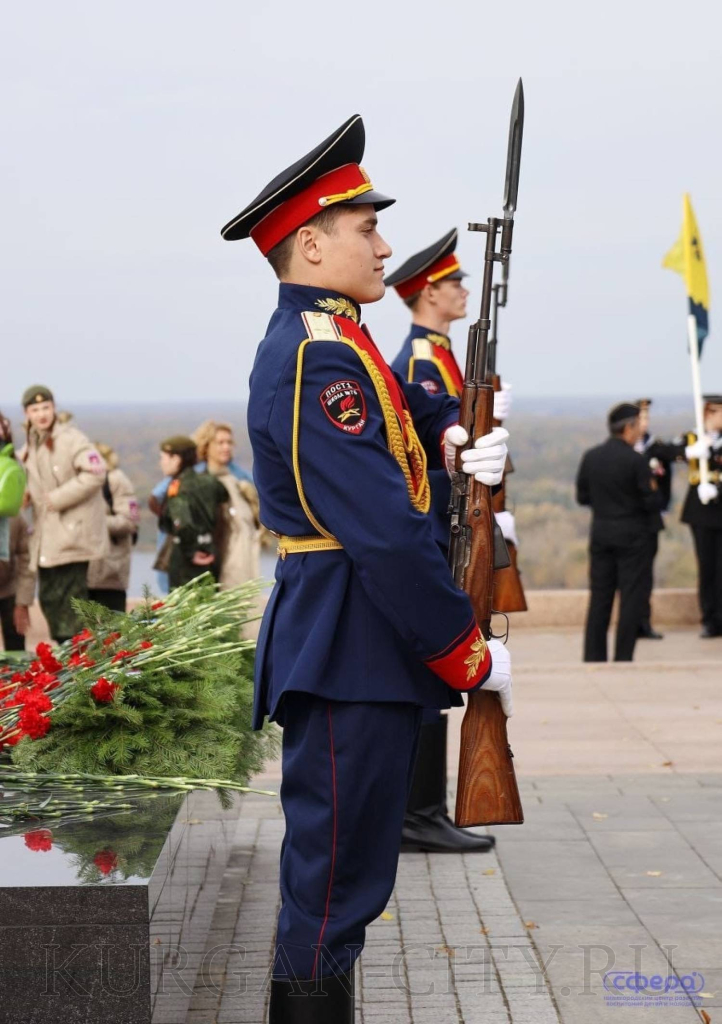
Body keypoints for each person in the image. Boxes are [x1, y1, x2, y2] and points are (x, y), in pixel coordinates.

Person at [221, 114, 513, 1021]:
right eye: (366, 228)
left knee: (345, 887)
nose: (385, 247)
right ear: (311, 244)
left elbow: (398, 432)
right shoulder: (319, 354)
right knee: (332, 891)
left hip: (355, 641)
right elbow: (383, 531)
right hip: (346, 644)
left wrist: (451, 436)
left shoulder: (338, 341)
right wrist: (465, 650)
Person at [386, 229, 514, 854]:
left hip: (452, 525)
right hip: (438, 528)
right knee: (433, 663)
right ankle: (419, 813)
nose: (463, 290)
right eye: (453, 282)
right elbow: (419, 462)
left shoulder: (438, 355)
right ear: (428, 293)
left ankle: (425, 810)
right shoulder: (419, 361)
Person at [18, 386, 108, 643]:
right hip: (48, 538)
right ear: (27, 413)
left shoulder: (72, 438)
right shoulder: (30, 445)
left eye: (46, 407)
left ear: (54, 408)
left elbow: (96, 472)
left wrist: (57, 498)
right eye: (35, 409)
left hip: (73, 536)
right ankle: (68, 654)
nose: (41, 414)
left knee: (72, 607)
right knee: (51, 600)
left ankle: (78, 658)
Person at [576, 402, 664, 662]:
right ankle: (623, 657)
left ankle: (594, 657)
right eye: (637, 426)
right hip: (634, 537)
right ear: (628, 428)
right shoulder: (636, 460)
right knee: (631, 598)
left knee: (600, 598)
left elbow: (582, 497)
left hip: (601, 533)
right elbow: (652, 501)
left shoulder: (591, 457)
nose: (640, 431)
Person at [191, 420, 268, 589]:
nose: (226, 447)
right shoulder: (198, 483)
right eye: (220, 442)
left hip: (244, 562)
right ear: (206, 446)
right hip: (215, 568)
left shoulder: (240, 481)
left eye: (229, 442)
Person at [155, 436, 228, 590]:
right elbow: (223, 499)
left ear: (176, 459)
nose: (161, 463)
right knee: (209, 601)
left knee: (184, 603)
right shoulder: (210, 482)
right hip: (210, 552)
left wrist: (191, 551)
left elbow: (182, 523)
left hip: (186, 561)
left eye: (163, 458)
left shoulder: (178, 487)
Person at [678, 395, 722, 637]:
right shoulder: (693, 438)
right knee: (707, 567)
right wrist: (690, 451)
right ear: (709, 413)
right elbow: (665, 452)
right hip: (701, 512)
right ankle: (710, 618)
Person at [633, 398, 674, 640]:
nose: (644, 422)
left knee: (646, 574)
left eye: (647, 417)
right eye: (640, 417)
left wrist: (662, 505)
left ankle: (644, 621)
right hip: (629, 521)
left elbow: (666, 478)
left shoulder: (655, 449)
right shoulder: (623, 450)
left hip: (649, 521)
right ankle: (630, 622)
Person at [87, 443, 140, 612]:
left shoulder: (116, 480)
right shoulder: (79, 483)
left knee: (112, 625)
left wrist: (93, 522)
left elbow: (129, 521)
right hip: (81, 573)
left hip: (109, 572)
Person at [0, 411, 34, 650]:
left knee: (16, 652)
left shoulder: (15, 517)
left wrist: (22, 602)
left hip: (8, 587)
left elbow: (25, 556)